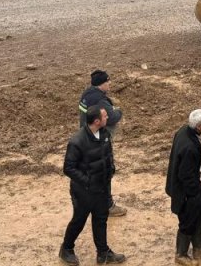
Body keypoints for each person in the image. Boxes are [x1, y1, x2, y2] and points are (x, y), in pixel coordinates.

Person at [59, 104, 126, 265]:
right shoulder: (77, 141)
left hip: (102, 187)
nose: (108, 117)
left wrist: (111, 170)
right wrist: (88, 181)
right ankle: (66, 249)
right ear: (97, 121)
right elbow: (68, 168)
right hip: (83, 191)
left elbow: (108, 155)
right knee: (79, 220)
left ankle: (103, 253)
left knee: (101, 219)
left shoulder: (104, 133)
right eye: (105, 116)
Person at [166, 108, 201, 265]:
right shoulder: (190, 147)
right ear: (199, 126)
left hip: (192, 185)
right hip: (186, 191)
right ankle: (181, 254)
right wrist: (193, 194)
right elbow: (185, 175)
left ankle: (198, 247)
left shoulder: (183, 131)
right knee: (188, 219)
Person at [78, 70, 126, 217]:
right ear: (101, 84)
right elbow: (112, 117)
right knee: (104, 172)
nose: (109, 83)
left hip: (86, 137)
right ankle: (108, 206)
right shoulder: (100, 101)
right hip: (99, 141)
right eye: (107, 81)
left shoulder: (86, 95)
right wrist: (119, 111)